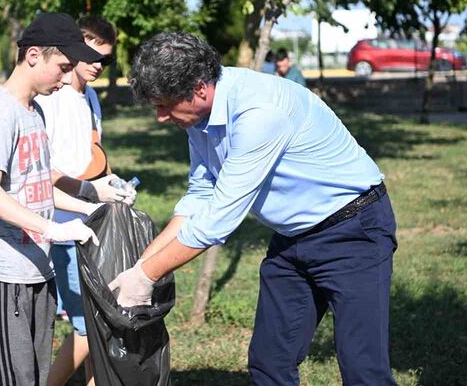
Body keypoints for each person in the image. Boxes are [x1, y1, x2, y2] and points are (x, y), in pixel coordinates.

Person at [109, 32, 398, 385]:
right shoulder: (199, 117)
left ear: (199, 89)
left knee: (362, 367)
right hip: (293, 238)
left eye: (164, 105)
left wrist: (147, 276)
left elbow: (216, 222)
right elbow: (201, 194)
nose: (160, 117)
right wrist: (139, 266)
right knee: (269, 362)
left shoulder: (259, 112)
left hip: (353, 231)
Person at [0, 12, 105, 386]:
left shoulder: (35, 111)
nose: (65, 78)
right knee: (13, 378)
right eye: (61, 68)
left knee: (34, 376)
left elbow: (40, 187)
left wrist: (91, 207)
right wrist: (50, 230)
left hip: (38, 267)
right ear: (32, 56)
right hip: (3, 271)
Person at [36, 15, 135, 386]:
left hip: (92, 224)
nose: (97, 66)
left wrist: (112, 183)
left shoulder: (91, 97)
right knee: (87, 327)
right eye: (92, 56)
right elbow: (45, 171)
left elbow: (89, 160)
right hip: (63, 226)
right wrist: (91, 192)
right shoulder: (53, 97)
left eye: (106, 61)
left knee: (98, 324)